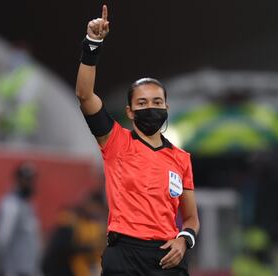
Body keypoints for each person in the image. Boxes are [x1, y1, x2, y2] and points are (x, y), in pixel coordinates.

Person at [76, 5, 200, 275]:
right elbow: (85, 96)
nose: (150, 107)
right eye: (142, 102)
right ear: (130, 111)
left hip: (168, 258)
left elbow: (191, 218)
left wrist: (184, 240)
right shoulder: (115, 141)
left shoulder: (181, 159)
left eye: (157, 101)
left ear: (166, 107)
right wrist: (93, 45)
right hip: (124, 257)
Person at [0, 162, 41, 276]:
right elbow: (2, 238)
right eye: (26, 179)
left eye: (31, 179)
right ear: (18, 179)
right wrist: (0, 264)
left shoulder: (28, 204)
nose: (29, 183)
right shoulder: (10, 203)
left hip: (28, 268)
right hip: (12, 269)